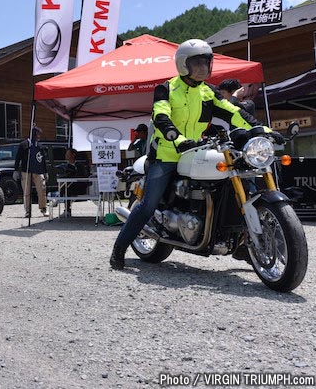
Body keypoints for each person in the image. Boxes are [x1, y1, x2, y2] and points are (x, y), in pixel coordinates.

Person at [108, 39, 284, 270]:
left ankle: (241, 243)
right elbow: (161, 117)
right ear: (183, 64)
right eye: (197, 62)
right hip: (167, 153)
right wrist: (176, 138)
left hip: (196, 150)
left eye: (206, 62)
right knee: (148, 205)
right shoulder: (166, 89)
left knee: (232, 183)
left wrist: (263, 130)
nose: (203, 67)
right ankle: (119, 249)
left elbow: (233, 112)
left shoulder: (208, 92)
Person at [14, 126, 48, 218]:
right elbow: (18, 158)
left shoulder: (40, 146)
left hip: (38, 171)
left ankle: (43, 208)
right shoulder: (24, 145)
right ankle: (28, 211)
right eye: (37, 134)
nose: (39, 136)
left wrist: (45, 171)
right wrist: (16, 170)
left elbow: (43, 159)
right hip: (26, 171)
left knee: (42, 189)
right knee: (26, 192)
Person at [55, 147, 89, 217]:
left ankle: (58, 198)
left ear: (73, 155)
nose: (66, 155)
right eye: (66, 154)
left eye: (68, 154)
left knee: (66, 188)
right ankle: (67, 210)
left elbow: (83, 176)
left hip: (80, 187)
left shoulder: (80, 165)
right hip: (70, 188)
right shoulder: (65, 166)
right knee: (67, 188)